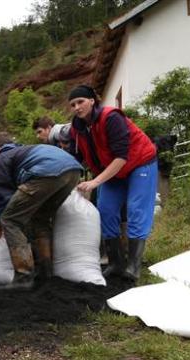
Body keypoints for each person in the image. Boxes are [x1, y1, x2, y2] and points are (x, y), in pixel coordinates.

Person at [67, 85, 157, 280]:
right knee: (105, 210)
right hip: (111, 171)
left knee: (135, 209)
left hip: (139, 163)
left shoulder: (111, 118)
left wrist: (94, 183)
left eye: (80, 101)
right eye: (73, 104)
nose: (76, 107)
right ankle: (116, 263)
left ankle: (133, 265)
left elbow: (121, 157)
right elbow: (75, 157)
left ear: (92, 101)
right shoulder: (77, 128)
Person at [0, 131, 83, 290]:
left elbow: (5, 199)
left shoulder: (1, 159)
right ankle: (46, 271)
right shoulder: (24, 151)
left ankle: (24, 276)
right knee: (40, 219)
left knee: (9, 220)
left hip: (46, 173)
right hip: (73, 170)